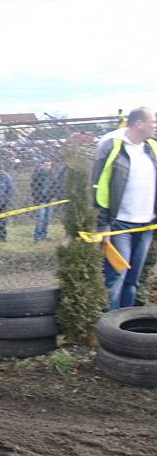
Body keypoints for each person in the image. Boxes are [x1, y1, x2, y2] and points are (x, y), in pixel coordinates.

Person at [92, 106, 157, 309]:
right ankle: (109, 329)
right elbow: (99, 188)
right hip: (121, 226)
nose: (155, 126)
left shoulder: (152, 148)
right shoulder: (113, 148)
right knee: (116, 278)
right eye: (153, 122)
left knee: (133, 280)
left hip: (146, 226)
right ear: (139, 123)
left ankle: (126, 329)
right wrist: (103, 226)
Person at [31, 159, 61, 242]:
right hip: (40, 200)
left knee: (47, 219)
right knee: (40, 219)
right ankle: (37, 237)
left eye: (49, 165)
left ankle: (44, 236)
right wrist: (36, 198)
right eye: (46, 165)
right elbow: (33, 187)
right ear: (42, 165)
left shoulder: (52, 175)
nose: (47, 167)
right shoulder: (37, 175)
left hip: (49, 200)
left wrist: (54, 195)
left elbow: (56, 186)